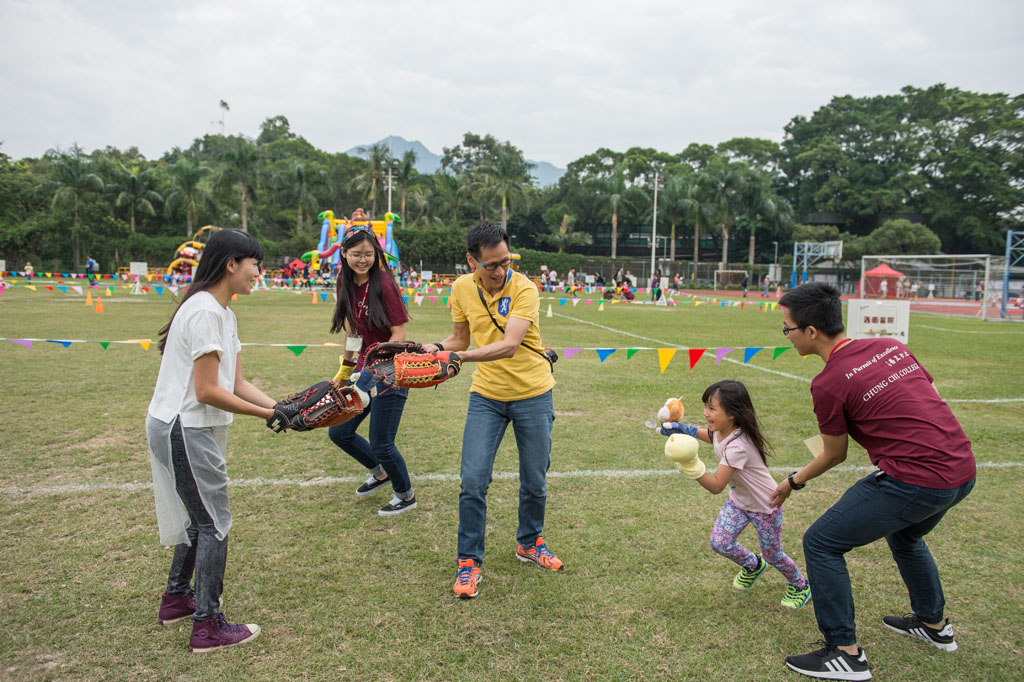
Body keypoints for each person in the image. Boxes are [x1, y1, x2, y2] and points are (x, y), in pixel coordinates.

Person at [772, 283, 976, 681]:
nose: (787, 335)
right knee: (906, 538)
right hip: (962, 469)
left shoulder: (827, 383)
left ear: (811, 331)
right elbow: (930, 396)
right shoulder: (890, 346)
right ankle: (933, 625)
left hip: (916, 479)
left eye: (787, 328)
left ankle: (844, 653)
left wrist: (792, 482)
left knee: (821, 542)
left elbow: (834, 454)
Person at [146, 229, 277, 653]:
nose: (259, 272)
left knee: (198, 518)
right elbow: (206, 391)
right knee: (214, 523)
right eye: (255, 264)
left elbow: (236, 382)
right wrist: (264, 415)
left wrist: (283, 408)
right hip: (186, 426)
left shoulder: (224, 312)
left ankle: (175, 599)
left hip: (182, 425)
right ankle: (207, 625)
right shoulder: (204, 311)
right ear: (231, 264)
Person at [424, 222, 562, 599]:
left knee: (534, 480)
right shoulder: (460, 288)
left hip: (533, 394)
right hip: (486, 396)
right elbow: (459, 338)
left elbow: (510, 344)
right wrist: (432, 349)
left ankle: (530, 542)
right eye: (491, 265)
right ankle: (468, 561)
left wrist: (459, 357)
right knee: (472, 481)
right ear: (472, 261)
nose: (501, 271)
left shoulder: (526, 289)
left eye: (505, 262)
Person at [659, 380, 811, 609]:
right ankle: (753, 565)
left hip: (764, 506)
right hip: (739, 502)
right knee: (720, 543)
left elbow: (716, 485)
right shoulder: (722, 430)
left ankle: (800, 585)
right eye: (706, 406)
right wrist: (684, 429)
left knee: (773, 554)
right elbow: (711, 436)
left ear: (731, 414)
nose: (705, 413)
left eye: (712, 408)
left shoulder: (738, 445)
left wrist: (690, 464)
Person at [327, 226, 417, 516]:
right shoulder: (344, 281)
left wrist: (378, 368)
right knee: (340, 432)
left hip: (390, 372)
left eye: (368, 254)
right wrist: (345, 370)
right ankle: (381, 473)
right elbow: (353, 332)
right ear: (344, 254)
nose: (363, 259)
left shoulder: (385, 285)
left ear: (376, 254)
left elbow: (398, 334)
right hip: (363, 372)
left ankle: (405, 495)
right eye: (356, 254)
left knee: (381, 441)